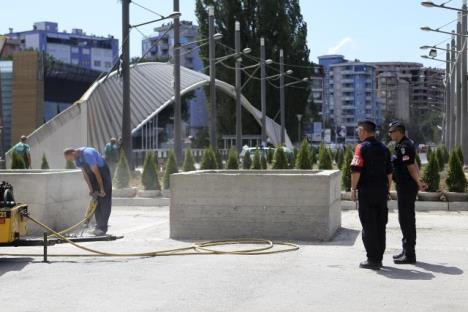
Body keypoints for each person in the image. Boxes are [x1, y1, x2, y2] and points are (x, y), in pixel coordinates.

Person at [350, 120, 393, 270]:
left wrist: (353, 189)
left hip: (367, 192)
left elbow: (356, 170)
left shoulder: (360, 147)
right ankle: (379, 258)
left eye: (358, 130)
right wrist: (387, 190)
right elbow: (389, 173)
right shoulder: (384, 149)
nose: (357, 133)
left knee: (368, 226)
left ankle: (372, 259)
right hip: (381, 191)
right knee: (380, 225)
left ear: (363, 131)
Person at [388, 121, 426, 264]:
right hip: (404, 186)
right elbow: (414, 163)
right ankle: (406, 250)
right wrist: (419, 180)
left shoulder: (405, 145)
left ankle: (410, 254)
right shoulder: (402, 144)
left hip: (407, 186)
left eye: (391, 131)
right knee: (404, 219)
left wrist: (418, 182)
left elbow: (410, 166)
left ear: (399, 131)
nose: (390, 134)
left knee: (407, 219)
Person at [64, 147, 112, 236]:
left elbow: (97, 172)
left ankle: (102, 228)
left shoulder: (88, 154)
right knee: (96, 201)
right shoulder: (77, 159)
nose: (72, 160)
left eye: (71, 158)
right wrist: (91, 190)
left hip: (103, 174)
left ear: (73, 152)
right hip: (93, 176)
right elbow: (86, 175)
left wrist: (102, 188)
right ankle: (98, 226)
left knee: (104, 201)